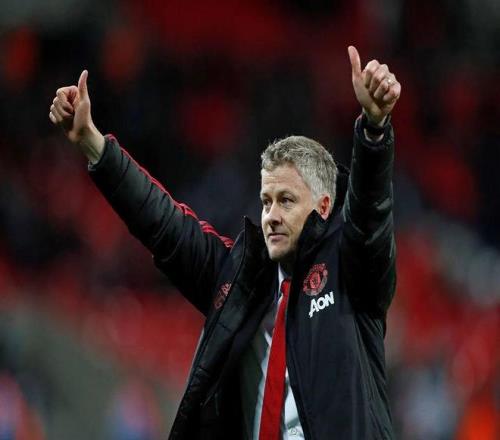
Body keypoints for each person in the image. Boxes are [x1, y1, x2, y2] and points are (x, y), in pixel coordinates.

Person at [49, 45, 401, 439]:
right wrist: (93, 144)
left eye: (286, 200)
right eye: (266, 201)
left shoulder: (351, 271)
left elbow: (371, 215)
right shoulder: (240, 283)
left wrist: (374, 129)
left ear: (322, 206)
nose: (271, 215)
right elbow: (164, 224)